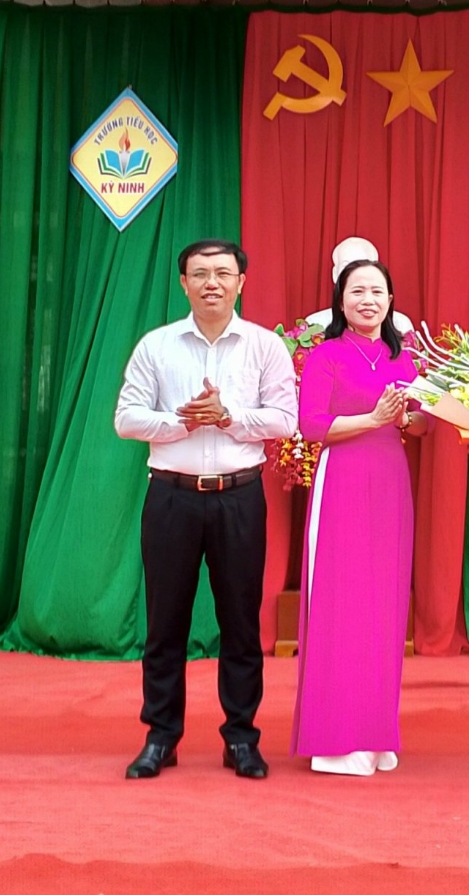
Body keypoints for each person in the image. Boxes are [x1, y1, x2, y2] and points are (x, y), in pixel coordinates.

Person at [115, 239, 297, 781]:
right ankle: (161, 736)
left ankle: (241, 737)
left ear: (241, 281)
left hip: (239, 498)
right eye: (200, 274)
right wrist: (183, 422)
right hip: (171, 497)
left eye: (222, 272)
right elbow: (126, 418)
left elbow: (285, 419)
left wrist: (228, 416)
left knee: (240, 623)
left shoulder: (265, 346)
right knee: (164, 623)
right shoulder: (157, 346)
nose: (211, 283)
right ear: (184, 283)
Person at [292, 258, 430, 776]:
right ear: (340, 300)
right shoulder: (325, 355)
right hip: (343, 480)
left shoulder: (404, 358)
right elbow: (311, 425)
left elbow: (421, 426)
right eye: (357, 291)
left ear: (391, 301)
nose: (368, 300)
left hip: (390, 481)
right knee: (342, 600)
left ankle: (375, 730)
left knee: (384, 603)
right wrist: (373, 418)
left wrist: (411, 416)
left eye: (377, 291)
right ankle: (336, 740)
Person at [306, 237, 414, 334]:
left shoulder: (401, 325)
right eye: (347, 267)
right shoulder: (315, 324)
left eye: (363, 266)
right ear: (334, 274)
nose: (355, 275)